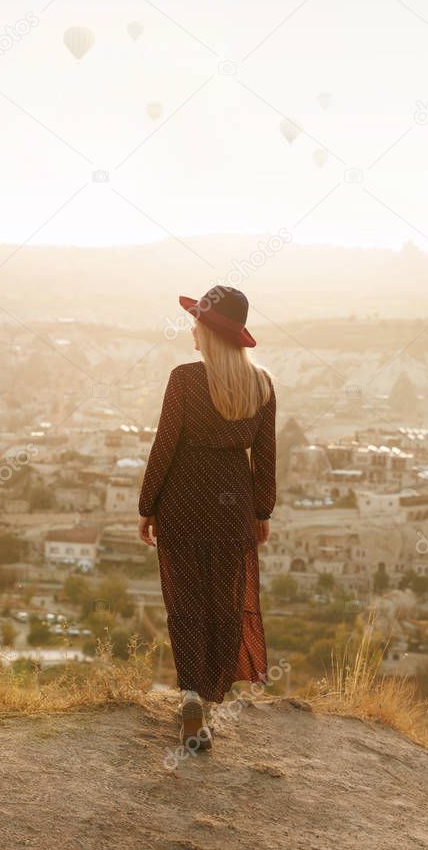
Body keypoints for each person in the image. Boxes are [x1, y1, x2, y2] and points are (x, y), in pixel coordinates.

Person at [137, 285, 276, 751]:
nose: (192, 331)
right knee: (225, 606)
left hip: (183, 501)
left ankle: (192, 700)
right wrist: (261, 510)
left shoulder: (184, 379)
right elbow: (266, 458)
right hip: (233, 505)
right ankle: (211, 704)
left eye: (196, 323)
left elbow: (165, 445)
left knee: (186, 606)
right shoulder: (262, 385)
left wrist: (147, 505)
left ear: (209, 333)